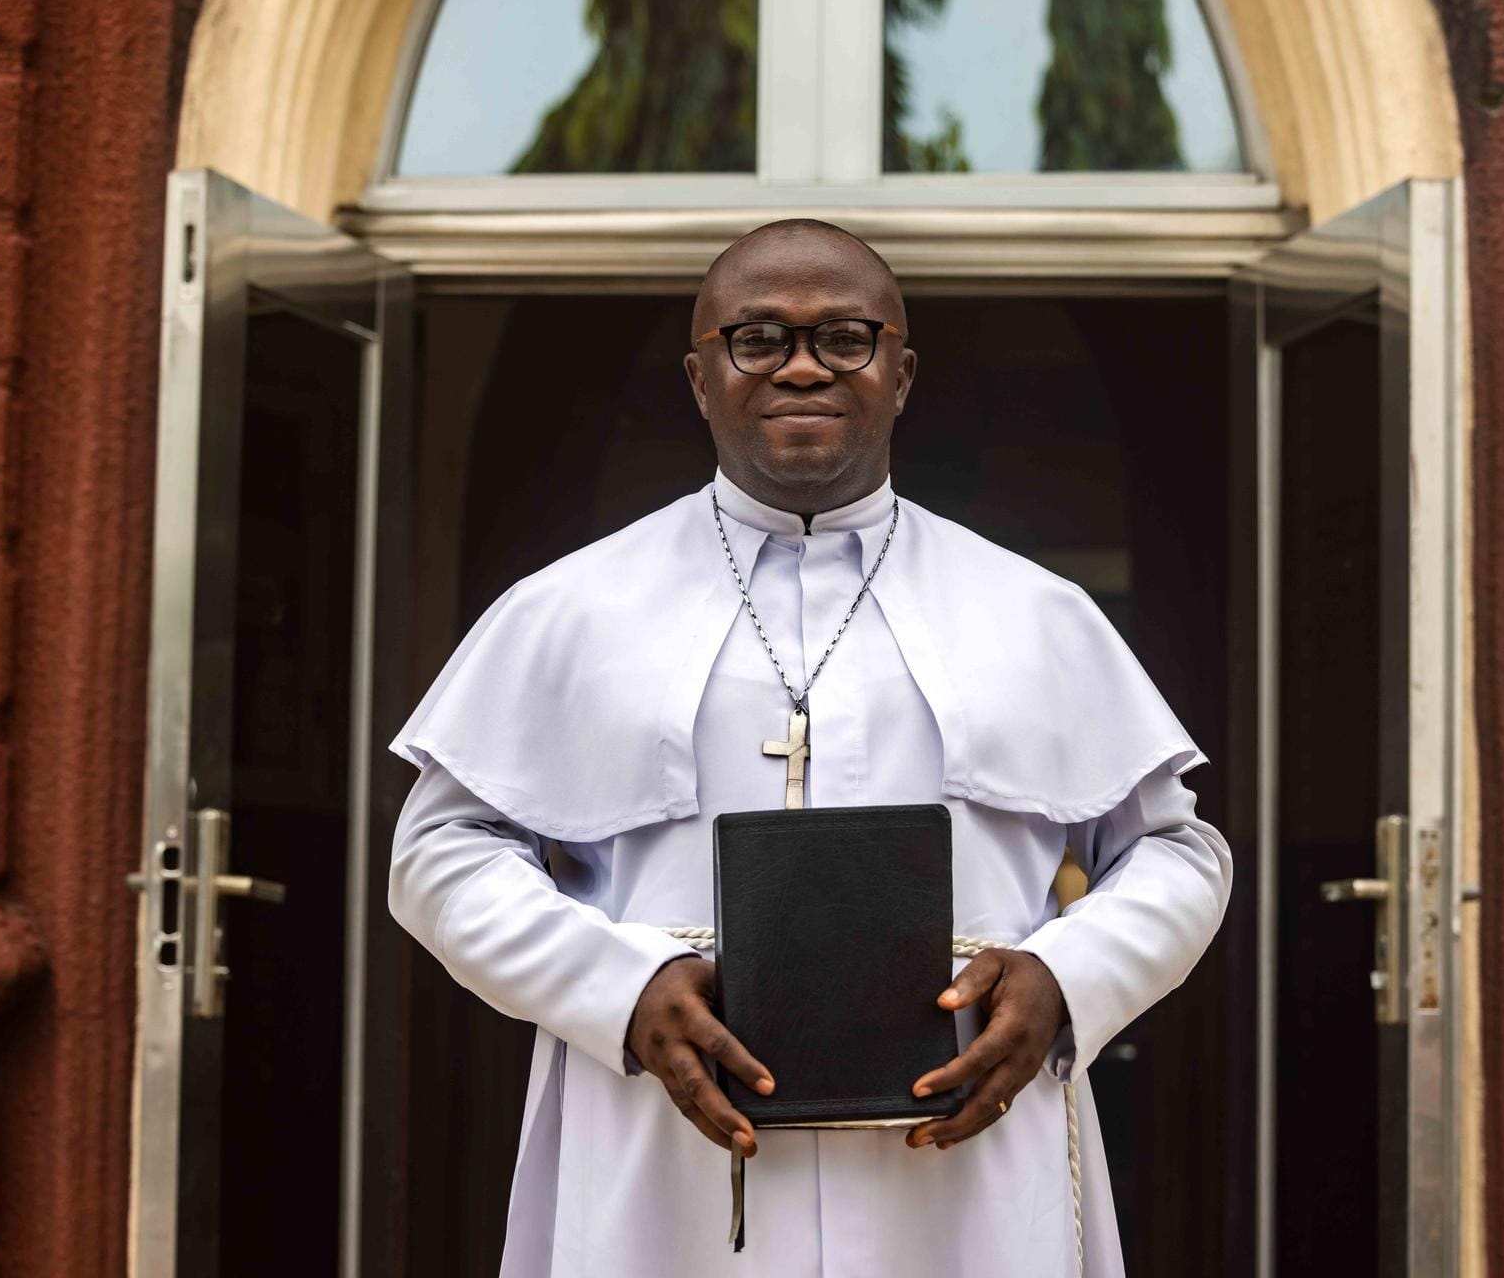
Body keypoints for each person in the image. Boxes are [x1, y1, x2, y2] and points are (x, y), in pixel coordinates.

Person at [386, 218, 1231, 1277]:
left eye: (845, 337)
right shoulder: (569, 609)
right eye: (756, 339)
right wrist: (620, 984)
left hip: (960, 1146)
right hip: (663, 1140)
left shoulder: (1034, 611)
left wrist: (1067, 976)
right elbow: (440, 852)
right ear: (700, 377)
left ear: (900, 371)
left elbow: (1175, 850)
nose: (800, 366)